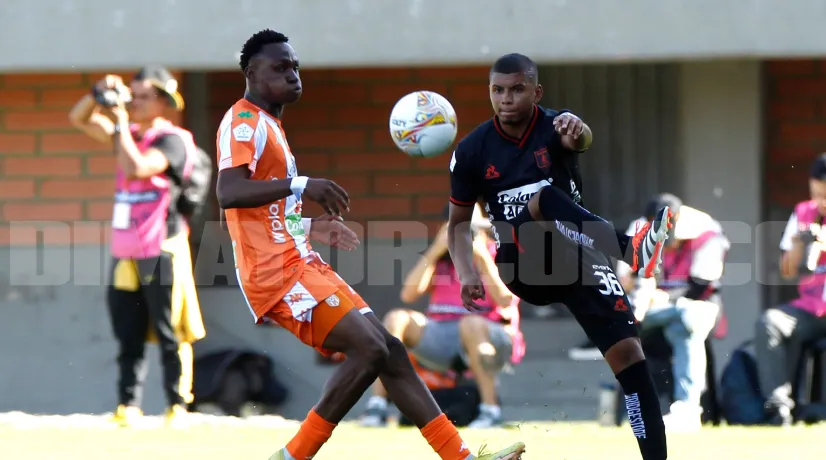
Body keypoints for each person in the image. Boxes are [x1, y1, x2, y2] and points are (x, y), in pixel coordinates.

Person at [216, 29, 525, 460]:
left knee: (391, 351)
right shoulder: (244, 122)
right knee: (371, 348)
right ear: (251, 73)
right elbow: (229, 192)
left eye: (295, 66)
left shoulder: (270, 125)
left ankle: (461, 457)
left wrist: (308, 227)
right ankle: (295, 454)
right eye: (280, 68)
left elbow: (262, 214)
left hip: (298, 259)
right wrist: (303, 184)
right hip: (276, 272)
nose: (293, 75)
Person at [448, 53, 670, 460]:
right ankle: (629, 249)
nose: (506, 98)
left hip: (580, 258)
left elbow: (578, 139)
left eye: (517, 89)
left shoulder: (556, 124)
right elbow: (458, 224)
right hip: (523, 263)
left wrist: (579, 129)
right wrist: (466, 272)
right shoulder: (473, 150)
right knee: (543, 198)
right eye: (497, 90)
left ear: (537, 91)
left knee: (630, 359)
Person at [68, 67, 206, 426]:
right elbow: (78, 117)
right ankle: (127, 405)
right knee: (128, 332)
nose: (135, 102)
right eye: (133, 95)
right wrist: (99, 92)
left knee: (169, 330)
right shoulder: (125, 131)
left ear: (162, 102)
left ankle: (178, 405)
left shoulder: (174, 140)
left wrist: (120, 122)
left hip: (161, 246)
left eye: (144, 96)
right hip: (125, 249)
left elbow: (136, 168)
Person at [361, 204, 525, 429]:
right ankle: (377, 405)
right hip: (442, 335)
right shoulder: (441, 259)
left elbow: (506, 300)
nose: (462, 232)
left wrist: (482, 256)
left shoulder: (498, 252)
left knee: (471, 323)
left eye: (469, 226)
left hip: (490, 334)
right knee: (395, 319)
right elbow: (408, 294)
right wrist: (435, 250)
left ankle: (491, 411)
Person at [613, 194, 728, 432]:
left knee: (687, 320)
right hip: (647, 310)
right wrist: (641, 285)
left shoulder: (707, 232)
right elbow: (623, 282)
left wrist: (665, 296)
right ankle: (654, 409)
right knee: (622, 324)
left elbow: (701, 285)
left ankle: (687, 409)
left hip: (696, 306)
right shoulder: (639, 230)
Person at [756, 153, 826, 426]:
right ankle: (778, 409)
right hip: (810, 310)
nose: (821, 202)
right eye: (816, 194)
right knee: (769, 323)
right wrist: (800, 244)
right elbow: (786, 271)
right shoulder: (803, 212)